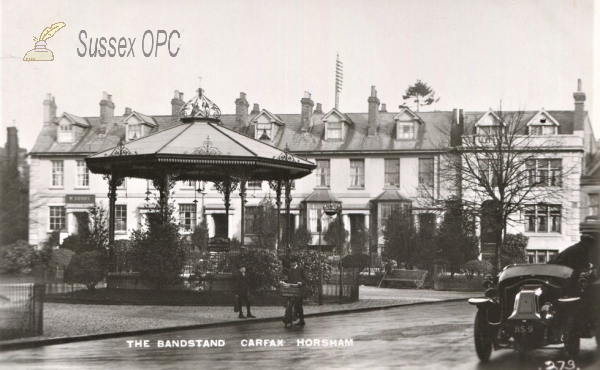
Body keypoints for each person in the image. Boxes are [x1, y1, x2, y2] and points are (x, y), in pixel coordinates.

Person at [287, 256, 309, 326]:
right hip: (294, 289)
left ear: (296, 262)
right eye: (291, 262)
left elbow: (306, 279)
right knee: (294, 304)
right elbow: (289, 280)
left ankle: (296, 316)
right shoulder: (290, 271)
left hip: (301, 289)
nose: (292, 264)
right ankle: (300, 319)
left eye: (293, 262)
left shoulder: (301, 269)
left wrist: (301, 283)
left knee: (298, 302)